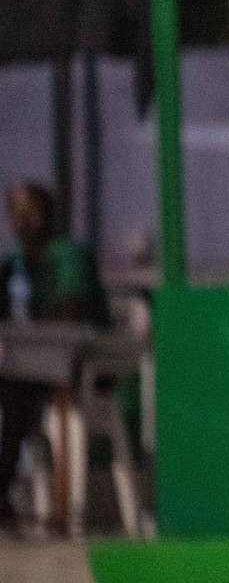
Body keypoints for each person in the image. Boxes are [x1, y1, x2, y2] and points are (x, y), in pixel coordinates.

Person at [0, 182, 108, 529]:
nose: (21, 221)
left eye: (29, 212)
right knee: (13, 396)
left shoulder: (68, 253)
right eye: (14, 213)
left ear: (48, 214)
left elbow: (70, 310)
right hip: (28, 366)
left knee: (16, 397)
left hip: (86, 366)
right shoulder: (12, 261)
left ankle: (56, 509)